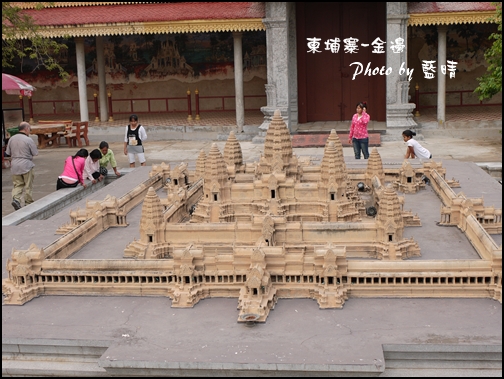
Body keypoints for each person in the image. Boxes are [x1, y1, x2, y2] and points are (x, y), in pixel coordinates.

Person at [6, 122, 38, 210]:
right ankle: (28, 202)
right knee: (28, 185)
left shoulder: (11, 139)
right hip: (26, 164)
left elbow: (7, 153)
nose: (30, 131)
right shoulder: (28, 140)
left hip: (15, 164)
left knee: (17, 185)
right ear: (26, 128)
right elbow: (35, 153)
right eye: (30, 129)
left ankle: (16, 199)